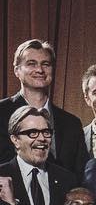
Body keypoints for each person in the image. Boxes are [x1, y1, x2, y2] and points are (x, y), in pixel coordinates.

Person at [0, 39, 88, 176]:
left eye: (45, 64)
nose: (40, 70)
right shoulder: (1, 112)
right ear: (16, 70)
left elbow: (80, 173)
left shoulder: (72, 123)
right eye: (31, 64)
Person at [0, 105, 77, 205]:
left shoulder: (67, 180)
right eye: (33, 133)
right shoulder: (2, 175)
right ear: (15, 139)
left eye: (46, 132)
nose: (42, 138)